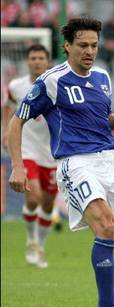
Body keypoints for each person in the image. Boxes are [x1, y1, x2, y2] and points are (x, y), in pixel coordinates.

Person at [6, 16, 114, 307]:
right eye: (82, 45)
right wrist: (17, 165)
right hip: (75, 163)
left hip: (111, 162)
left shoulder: (103, 77)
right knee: (106, 225)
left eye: (94, 45)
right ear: (67, 46)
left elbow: (97, 119)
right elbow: (16, 121)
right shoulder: (51, 80)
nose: (89, 51)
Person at [1, 44, 56, 268]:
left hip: (52, 152)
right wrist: (6, 131)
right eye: (32, 58)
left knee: (49, 205)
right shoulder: (16, 86)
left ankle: (40, 245)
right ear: (27, 61)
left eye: (41, 58)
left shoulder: (55, 85)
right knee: (33, 198)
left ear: (47, 61)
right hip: (27, 150)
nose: (36, 61)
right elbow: (8, 108)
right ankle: (31, 241)